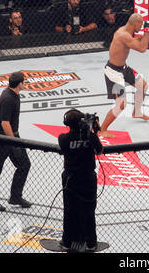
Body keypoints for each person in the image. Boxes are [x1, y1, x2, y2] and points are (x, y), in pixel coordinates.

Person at [98, 13, 149, 138]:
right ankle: (102, 129)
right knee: (121, 104)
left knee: (143, 86)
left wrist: (148, 33)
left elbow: (135, 41)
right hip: (113, 72)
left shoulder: (126, 31)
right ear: (134, 24)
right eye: (140, 24)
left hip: (124, 68)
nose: (141, 27)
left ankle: (137, 112)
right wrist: (146, 33)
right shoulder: (123, 34)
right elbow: (142, 49)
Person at [0, 71, 32, 212]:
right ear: (19, 84)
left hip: (11, 136)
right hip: (2, 139)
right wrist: (14, 142)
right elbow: (5, 123)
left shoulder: (13, 94)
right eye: (24, 82)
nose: (25, 84)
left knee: (24, 164)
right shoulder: (8, 99)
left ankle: (15, 196)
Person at [58, 108, 103, 252]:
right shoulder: (90, 137)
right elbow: (99, 150)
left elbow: (65, 147)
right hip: (88, 178)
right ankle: (91, 243)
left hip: (70, 179)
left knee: (69, 211)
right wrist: (94, 132)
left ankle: (66, 242)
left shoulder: (63, 138)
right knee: (89, 211)